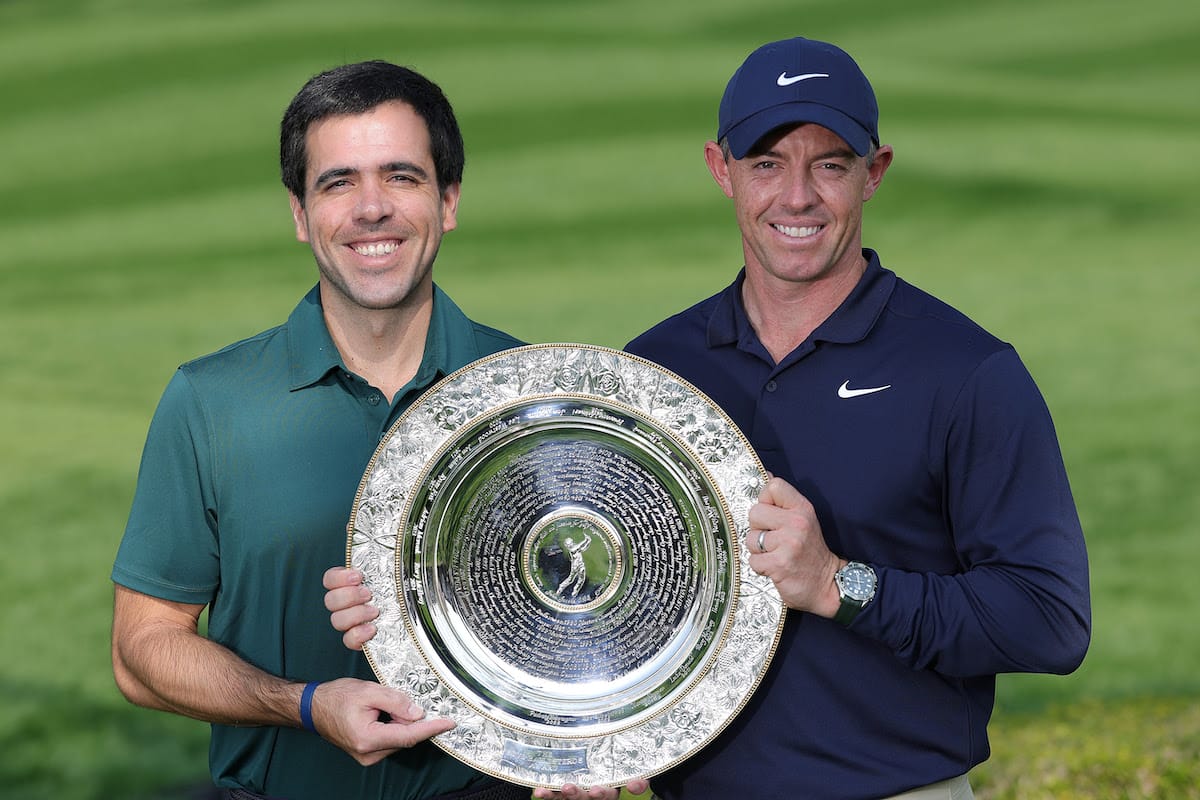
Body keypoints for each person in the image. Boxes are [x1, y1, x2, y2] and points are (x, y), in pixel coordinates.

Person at [326, 37, 1091, 799]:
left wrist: (839, 584)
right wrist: (579, 744)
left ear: (874, 172)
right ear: (721, 170)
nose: (797, 197)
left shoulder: (963, 371)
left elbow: (1051, 622)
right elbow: (606, 599)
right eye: (767, 164)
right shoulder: (657, 372)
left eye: (829, 165)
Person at [110, 60, 623, 800]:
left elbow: (593, 611)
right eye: (338, 182)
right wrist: (304, 704)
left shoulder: (536, 395)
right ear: (300, 213)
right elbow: (141, 652)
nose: (372, 208)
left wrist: (578, 756)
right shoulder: (209, 402)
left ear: (448, 200)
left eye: (402, 177)